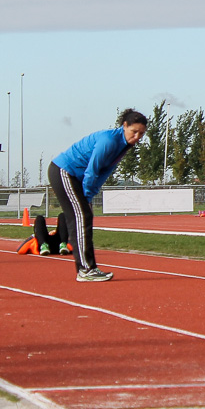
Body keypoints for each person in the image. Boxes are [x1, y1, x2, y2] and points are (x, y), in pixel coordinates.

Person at [48, 109, 147, 282]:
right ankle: (86, 269)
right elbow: (92, 171)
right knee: (82, 216)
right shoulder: (109, 141)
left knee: (82, 216)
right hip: (65, 171)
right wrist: (86, 198)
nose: (137, 137)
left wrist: (89, 196)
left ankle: (86, 268)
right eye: (134, 132)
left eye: (141, 134)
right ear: (125, 126)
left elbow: (104, 172)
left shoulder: (123, 144)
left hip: (76, 177)